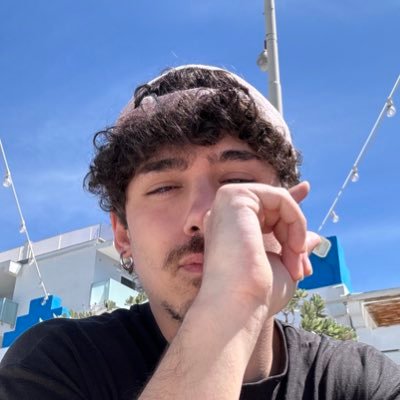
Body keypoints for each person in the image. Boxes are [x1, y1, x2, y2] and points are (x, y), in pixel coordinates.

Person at [0, 65, 399, 400]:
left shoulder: (361, 382)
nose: (205, 215)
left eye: (238, 182)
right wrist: (231, 309)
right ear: (122, 234)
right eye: (164, 188)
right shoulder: (57, 364)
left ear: (287, 211)